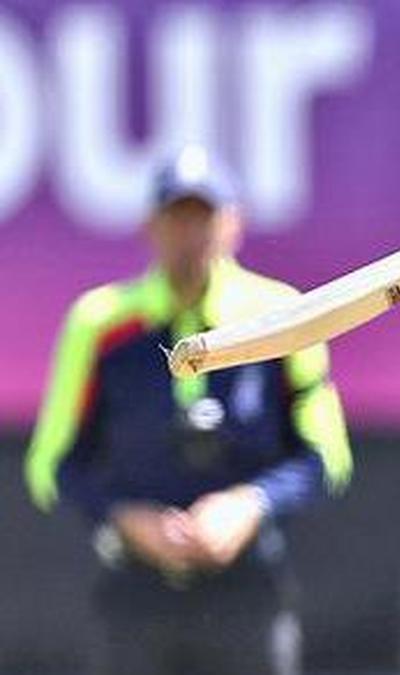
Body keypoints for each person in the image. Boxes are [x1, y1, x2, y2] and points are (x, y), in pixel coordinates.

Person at [24, 145, 353, 675]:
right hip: (135, 595)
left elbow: (328, 458)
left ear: (233, 224)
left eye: (204, 217)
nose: (191, 234)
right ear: (149, 228)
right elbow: (50, 465)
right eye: (177, 217)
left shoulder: (281, 317)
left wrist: (251, 504)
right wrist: (125, 516)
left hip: (246, 592)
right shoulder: (100, 324)